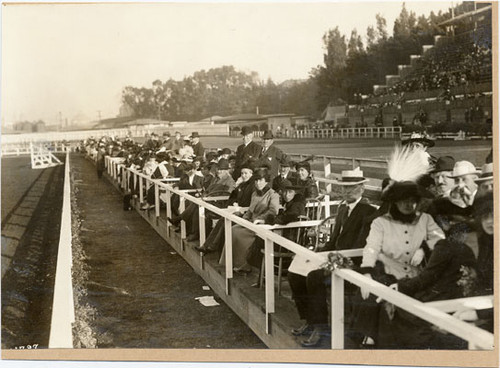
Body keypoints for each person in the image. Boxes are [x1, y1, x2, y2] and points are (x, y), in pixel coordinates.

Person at [288, 169, 376, 347]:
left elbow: (360, 246)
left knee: (314, 277)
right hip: (334, 257)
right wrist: (317, 253)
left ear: (362, 189)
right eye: (344, 188)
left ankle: (321, 328)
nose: (347, 192)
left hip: (351, 263)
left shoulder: (367, 211)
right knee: (294, 271)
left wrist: (335, 258)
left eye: (351, 188)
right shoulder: (343, 208)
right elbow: (334, 239)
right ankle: (310, 321)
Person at [352, 180, 446, 347]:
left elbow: (440, 239)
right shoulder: (381, 222)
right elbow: (371, 248)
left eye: (413, 200)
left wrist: (424, 248)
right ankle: (373, 342)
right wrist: (366, 273)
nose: (409, 205)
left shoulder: (425, 219)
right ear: (395, 201)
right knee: (380, 297)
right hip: (387, 273)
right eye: (404, 200)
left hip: (415, 276)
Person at [195, 160, 256, 254]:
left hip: (245, 213)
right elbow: (232, 198)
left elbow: (252, 203)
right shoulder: (242, 185)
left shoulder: (253, 186)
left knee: (224, 221)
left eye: (246, 173)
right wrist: (237, 188)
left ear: (251, 174)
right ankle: (208, 245)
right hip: (236, 209)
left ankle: (211, 246)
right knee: (223, 219)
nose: (244, 175)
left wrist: (239, 207)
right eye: (242, 173)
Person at [225, 168, 280, 271]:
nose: (258, 183)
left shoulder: (273, 195)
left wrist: (260, 219)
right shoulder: (254, 194)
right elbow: (250, 210)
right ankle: (232, 263)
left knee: (238, 234)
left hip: (262, 226)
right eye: (256, 180)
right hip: (251, 223)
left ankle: (245, 266)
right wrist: (244, 219)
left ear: (266, 181)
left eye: (260, 180)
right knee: (233, 229)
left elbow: (273, 211)